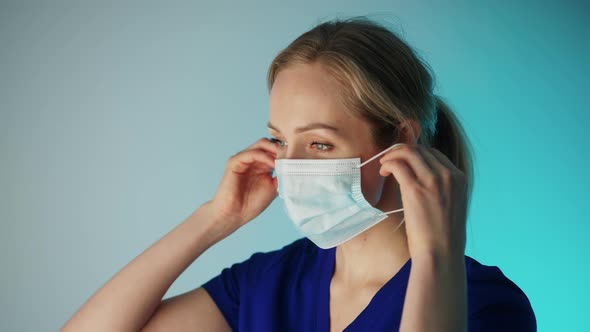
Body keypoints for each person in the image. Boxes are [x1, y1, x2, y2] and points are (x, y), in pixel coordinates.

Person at [61, 16, 536, 332]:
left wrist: (436, 254)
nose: (291, 166)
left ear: (402, 142)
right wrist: (212, 220)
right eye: (281, 141)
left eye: (320, 144)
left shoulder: (487, 305)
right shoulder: (270, 281)